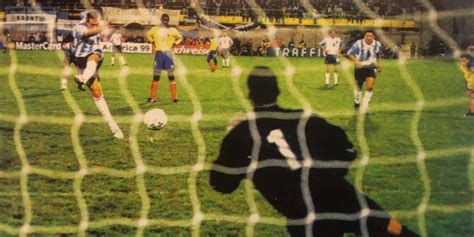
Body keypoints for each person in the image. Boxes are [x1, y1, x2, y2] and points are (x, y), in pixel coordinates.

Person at [210, 66, 418, 237]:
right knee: (393, 230)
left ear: (249, 95)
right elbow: (348, 151)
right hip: (340, 195)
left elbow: (221, 184)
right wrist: (328, 175)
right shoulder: (303, 119)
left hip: (303, 214)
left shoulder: (241, 133)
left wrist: (234, 143)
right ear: (278, 91)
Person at [73, 11, 124, 139]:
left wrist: (111, 26)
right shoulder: (79, 28)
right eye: (92, 23)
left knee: (96, 55)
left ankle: (82, 79)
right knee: (98, 94)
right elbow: (87, 33)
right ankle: (114, 128)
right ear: (86, 21)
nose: (95, 25)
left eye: (97, 23)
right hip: (81, 61)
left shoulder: (97, 25)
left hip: (94, 57)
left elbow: (104, 32)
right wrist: (103, 27)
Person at [146, 13, 183, 103]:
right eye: (164, 20)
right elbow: (148, 35)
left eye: (167, 20)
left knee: (171, 76)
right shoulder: (155, 29)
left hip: (168, 54)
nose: (165, 21)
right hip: (158, 53)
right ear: (161, 20)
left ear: (168, 21)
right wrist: (152, 42)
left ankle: (174, 98)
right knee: (156, 76)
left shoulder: (172, 30)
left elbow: (180, 38)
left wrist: (175, 43)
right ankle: (152, 97)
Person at [347, 30, 383, 114]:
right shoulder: (358, 43)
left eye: (370, 36)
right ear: (364, 36)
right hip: (360, 67)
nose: (368, 37)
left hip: (371, 67)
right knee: (358, 87)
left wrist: (378, 64)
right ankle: (357, 102)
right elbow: (349, 53)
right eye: (367, 35)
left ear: (373, 37)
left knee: (370, 86)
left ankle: (365, 105)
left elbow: (378, 55)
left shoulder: (377, 44)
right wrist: (356, 61)